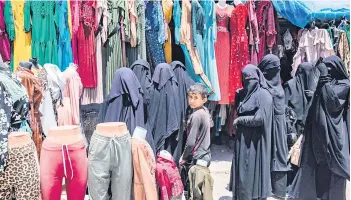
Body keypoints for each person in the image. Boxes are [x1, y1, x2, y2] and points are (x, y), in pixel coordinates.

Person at [288, 56, 350, 200]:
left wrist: (323, 81)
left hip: (335, 136)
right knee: (318, 169)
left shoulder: (344, 84)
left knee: (334, 171)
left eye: (329, 69)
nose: (327, 72)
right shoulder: (324, 83)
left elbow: (333, 103)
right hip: (318, 134)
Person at [229, 64, 273, 200]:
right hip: (242, 140)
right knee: (242, 172)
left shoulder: (264, 95)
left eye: (250, 79)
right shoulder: (242, 94)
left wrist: (240, 120)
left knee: (252, 172)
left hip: (256, 142)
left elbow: (260, 119)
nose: (248, 82)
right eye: (245, 78)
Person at [258, 54, 289, 198]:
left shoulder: (271, 86)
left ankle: (278, 190)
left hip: (276, 126)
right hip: (267, 126)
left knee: (277, 154)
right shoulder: (262, 87)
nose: (277, 70)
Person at [179, 83, 213, 167]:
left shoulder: (197, 115)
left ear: (204, 100)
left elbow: (191, 141)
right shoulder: (205, 111)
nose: (191, 101)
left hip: (197, 157)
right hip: (205, 155)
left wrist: (184, 157)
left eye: (196, 98)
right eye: (190, 97)